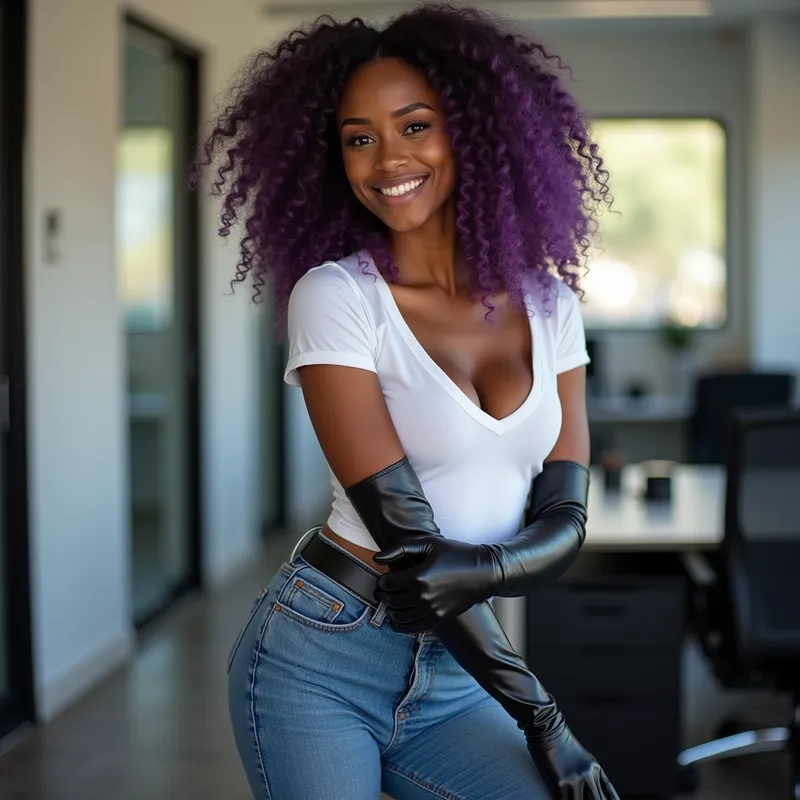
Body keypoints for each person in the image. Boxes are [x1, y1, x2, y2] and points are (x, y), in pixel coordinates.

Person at [198, 4, 617, 798]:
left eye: (415, 125)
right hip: (324, 655)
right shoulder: (335, 298)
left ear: (476, 131)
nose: (386, 158)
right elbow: (417, 556)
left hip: (457, 672)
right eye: (359, 137)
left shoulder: (554, 306)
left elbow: (567, 519)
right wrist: (545, 721)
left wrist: (486, 569)